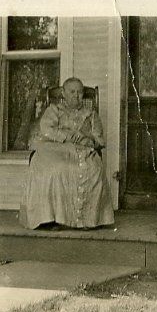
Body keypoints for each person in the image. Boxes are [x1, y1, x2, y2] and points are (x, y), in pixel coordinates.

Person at [19, 77, 115, 230]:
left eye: (79, 92)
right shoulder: (54, 110)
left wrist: (87, 138)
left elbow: (100, 140)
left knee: (92, 169)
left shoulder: (91, 114)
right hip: (55, 148)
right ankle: (49, 218)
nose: (76, 96)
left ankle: (87, 219)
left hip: (83, 150)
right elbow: (46, 129)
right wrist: (67, 136)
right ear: (63, 93)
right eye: (72, 92)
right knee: (53, 169)